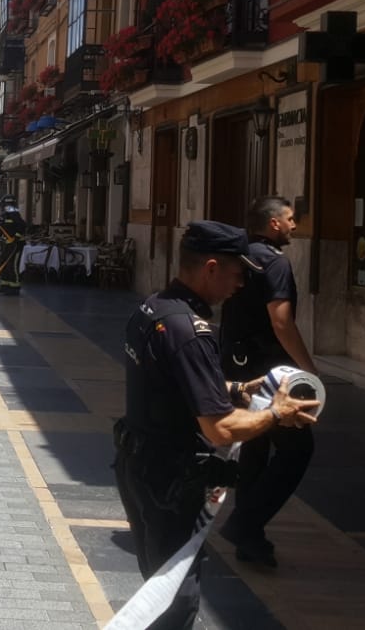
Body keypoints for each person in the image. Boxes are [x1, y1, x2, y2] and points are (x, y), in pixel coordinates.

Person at [113, 220, 319, 630]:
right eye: (236, 272)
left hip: (138, 464)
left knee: (158, 586)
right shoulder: (190, 331)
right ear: (210, 268)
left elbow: (177, 383)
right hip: (169, 481)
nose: (240, 283)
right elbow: (220, 430)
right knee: (175, 602)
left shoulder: (153, 309)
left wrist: (240, 387)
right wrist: (276, 414)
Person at [218, 197, 317, 568]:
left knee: (254, 449)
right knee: (297, 450)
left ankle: (250, 538)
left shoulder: (242, 256)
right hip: (269, 372)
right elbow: (281, 321)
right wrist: (308, 368)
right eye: (290, 219)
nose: (295, 225)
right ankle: (245, 524)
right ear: (273, 224)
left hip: (238, 365)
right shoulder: (275, 263)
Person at [0, 195, 28, 296]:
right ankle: (5, 285)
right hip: (8, 243)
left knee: (13, 265)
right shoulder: (7, 215)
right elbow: (5, 228)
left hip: (16, 245)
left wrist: (16, 237)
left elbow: (22, 226)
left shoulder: (14, 213)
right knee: (5, 264)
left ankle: (14, 287)